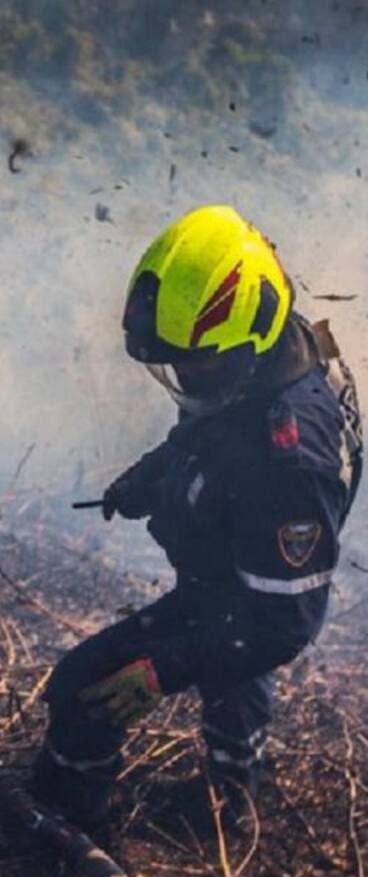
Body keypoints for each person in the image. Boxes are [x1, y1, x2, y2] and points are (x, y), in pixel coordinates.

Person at [32, 205, 363, 834]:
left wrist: (161, 670)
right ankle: (228, 802)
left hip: (256, 579)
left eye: (197, 365)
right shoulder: (253, 357)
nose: (186, 379)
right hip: (248, 536)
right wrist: (155, 474)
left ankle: (71, 816)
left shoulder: (288, 458)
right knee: (233, 660)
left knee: (86, 685)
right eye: (176, 365)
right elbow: (211, 427)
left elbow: (280, 623)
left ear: (252, 335)